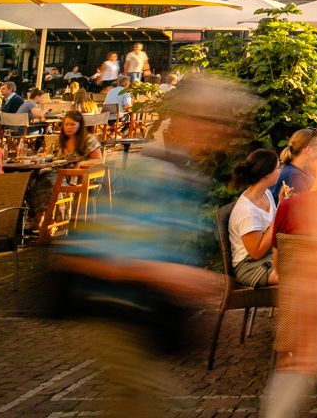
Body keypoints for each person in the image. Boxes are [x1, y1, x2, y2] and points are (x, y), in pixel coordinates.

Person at [54, 74, 253, 418]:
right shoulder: (154, 173)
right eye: (214, 120)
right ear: (189, 120)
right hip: (119, 316)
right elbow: (88, 254)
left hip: (143, 318)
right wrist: (173, 275)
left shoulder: (185, 172)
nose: (223, 132)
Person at [228, 149, 282, 286]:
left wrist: (282, 204)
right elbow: (256, 253)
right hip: (251, 266)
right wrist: (278, 218)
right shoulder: (247, 211)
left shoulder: (266, 193)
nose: (281, 169)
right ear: (267, 174)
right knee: (300, 277)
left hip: (269, 255)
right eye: (278, 167)